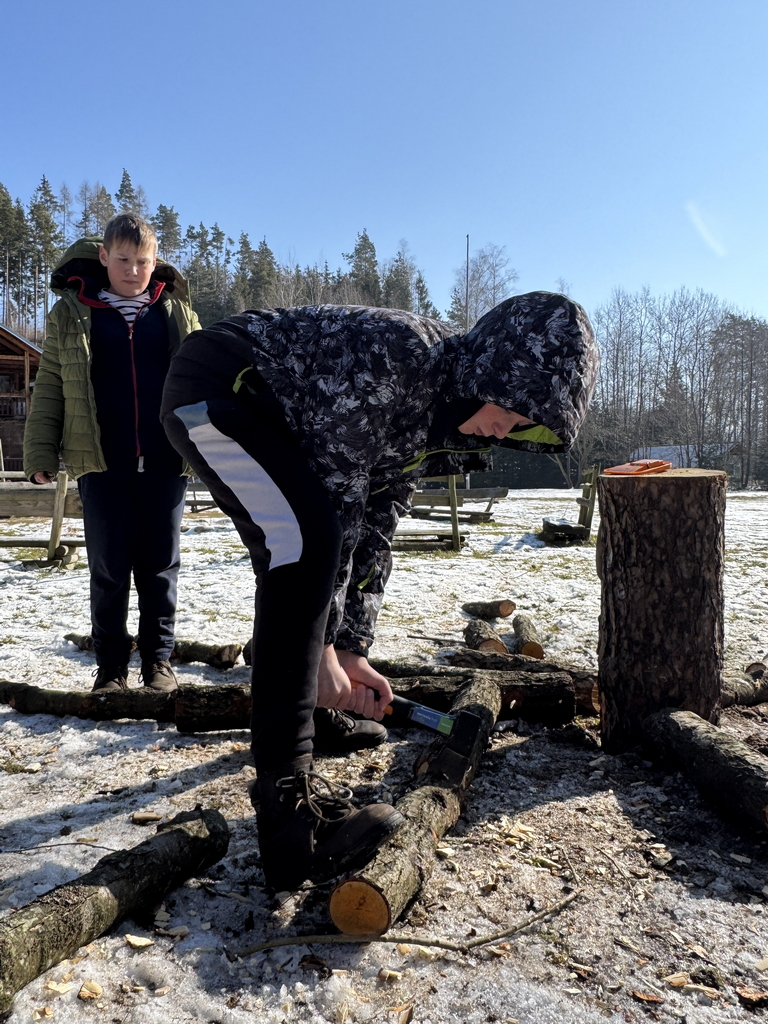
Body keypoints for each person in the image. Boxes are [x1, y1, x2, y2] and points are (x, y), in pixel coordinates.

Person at [160, 292, 599, 891]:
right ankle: (289, 821)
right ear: (491, 372)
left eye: (526, 424)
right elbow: (334, 500)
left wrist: (350, 649)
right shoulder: (401, 359)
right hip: (221, 388)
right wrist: (320, 648)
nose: (509, 428)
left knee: (310, 543)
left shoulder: (437, 415)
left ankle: (314, 712)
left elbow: (375, 522)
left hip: (267, 415)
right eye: (513, 407)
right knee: (302, 543)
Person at [24, 214, 200, 693]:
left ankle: (158, 663)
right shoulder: (72, 312)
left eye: (143, 261)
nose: (133, 270)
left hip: (165, 458)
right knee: (109, 568)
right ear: (103, 257)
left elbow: (201, 382)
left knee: (160, 566)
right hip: (100, 461)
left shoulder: (177, 312)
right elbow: (51, 385)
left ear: (155, 261)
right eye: (123, 259)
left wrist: (213, 446)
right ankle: (111, 668)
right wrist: (40, 452)